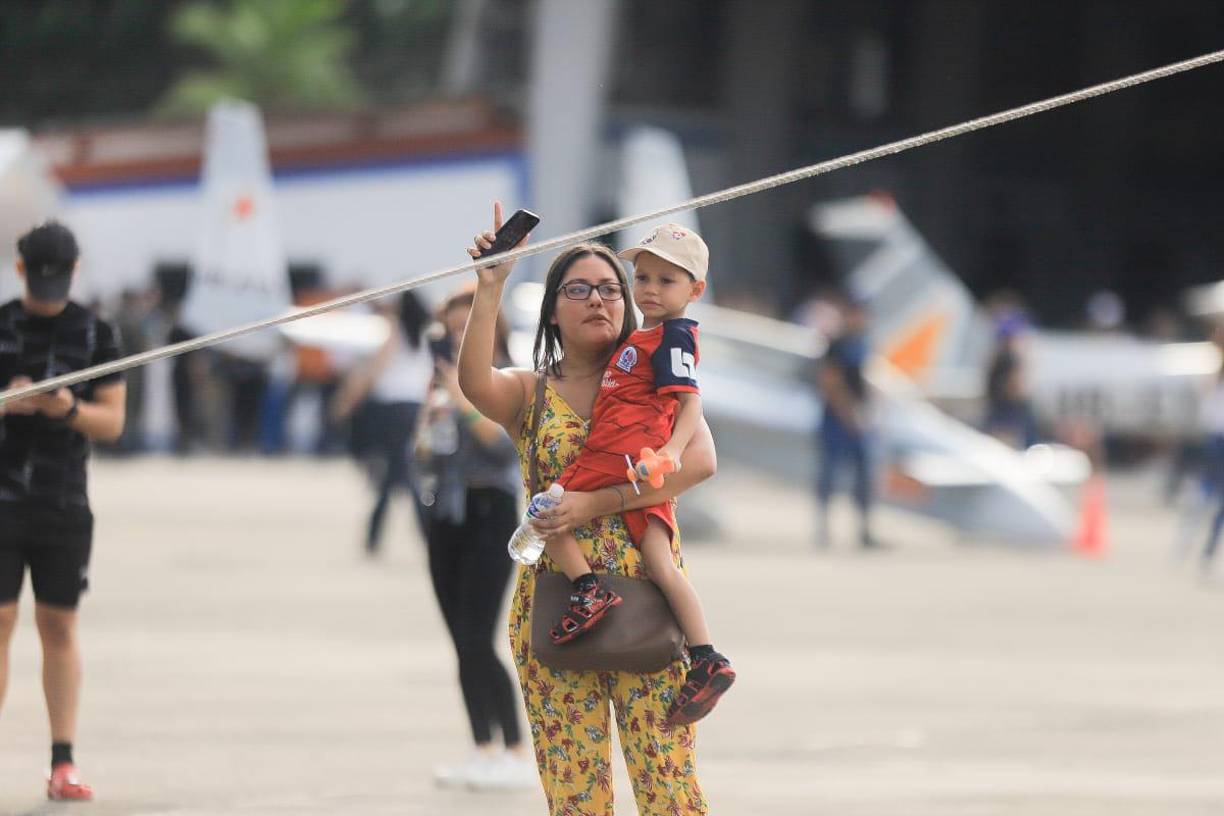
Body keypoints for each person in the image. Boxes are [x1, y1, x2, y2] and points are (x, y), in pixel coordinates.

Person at [458, 202, 719, 814]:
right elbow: (474, 383)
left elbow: (700, 462)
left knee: (668, 786)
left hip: (647, 601)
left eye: (610, 289)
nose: (599, 300)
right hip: (558, 609)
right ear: (552, 307)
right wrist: (489, 285)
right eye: (579, 289)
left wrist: (590, 504)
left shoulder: (659, 374)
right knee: (575, 794)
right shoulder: (531, 392)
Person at [530, 223, 734, 726]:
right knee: (660, 564)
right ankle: (707, 655)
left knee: (547, 510)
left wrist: (668, 449)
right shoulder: (648, 336)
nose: (649, 289)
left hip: (624, 455)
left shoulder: (673, 337)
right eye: (641, 277)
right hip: (638, 462)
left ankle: (587, 588)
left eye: (666, 281)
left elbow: (689, 403)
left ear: (695, 290)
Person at [0, 222, 126, 801]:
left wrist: (68, 407)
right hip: (2, 499)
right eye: (39, 276)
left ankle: (62, 760)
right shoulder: (1, 325)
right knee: (0, 624)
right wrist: (12, 403)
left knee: (58, 626)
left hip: (63, 504)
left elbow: (113, 421)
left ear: (74, 272)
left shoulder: (97, 332)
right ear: (21, 269)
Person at [421, 284, 536, 789]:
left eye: (469, 328)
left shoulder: (512, 379)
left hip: (490, 509)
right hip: (445, 510)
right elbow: (426, 447)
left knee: (478, 636)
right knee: (460, 642)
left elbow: (503, 444)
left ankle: (513, 747)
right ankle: (481, 747)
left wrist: (464, 402)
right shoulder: (441, 379)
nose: (459, 339)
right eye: (452, 330)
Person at [332, 292, 433, 554]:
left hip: (392, 410)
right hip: (414, 407)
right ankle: (422, 534)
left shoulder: (394, 331)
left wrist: (349, 399)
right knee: (405, 473)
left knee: (397, 474)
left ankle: (380, 534)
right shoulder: (424, 334)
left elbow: (375, 369)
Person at [815, 295, 878, 549]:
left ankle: (864, 530)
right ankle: (824, 530)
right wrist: (848, 412)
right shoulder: (837, 345)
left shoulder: (862, 343)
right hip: (837, 419)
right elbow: (831, 380)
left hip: (858, 417)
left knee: (864, 477)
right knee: (830, 475)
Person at [983, 311, 1036, 449]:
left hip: (1005, 407)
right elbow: (1016, 387)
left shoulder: (1004, 357)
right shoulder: (1009, 358)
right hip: (1006, 408)